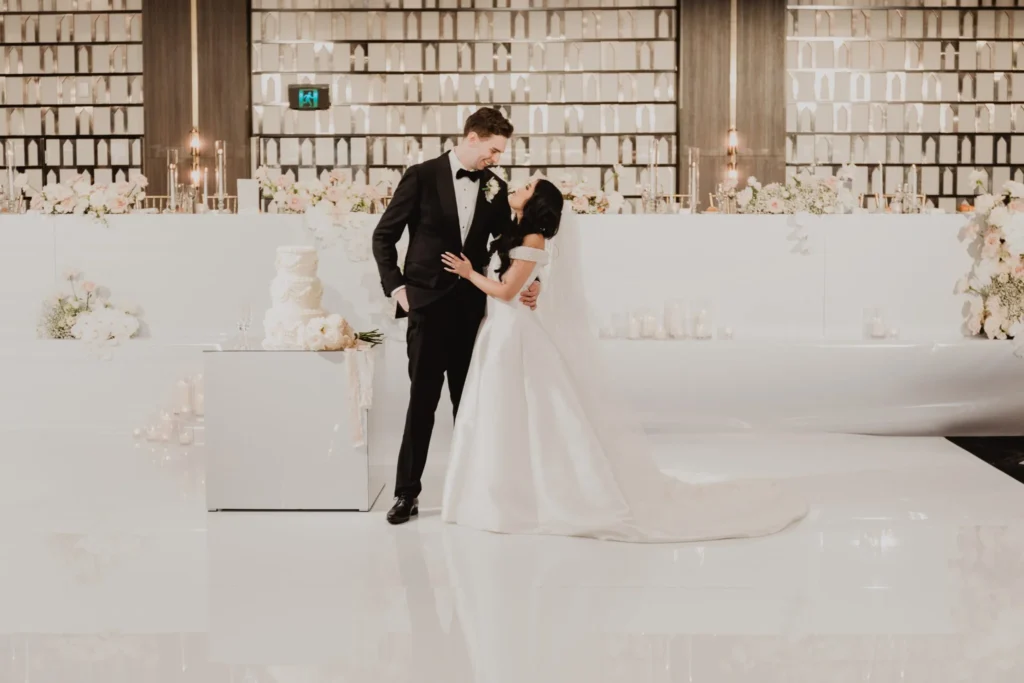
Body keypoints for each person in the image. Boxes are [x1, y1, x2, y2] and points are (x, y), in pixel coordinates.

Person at [438, 177, 808, 542]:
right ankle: (499, 494)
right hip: (498, 334)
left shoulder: (533, 237)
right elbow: (521, 280)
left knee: (527, 414)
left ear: (536, 203)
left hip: (514, 336)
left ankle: (527, 499)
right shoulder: (511, 232)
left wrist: (469, 273)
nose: (517, 188)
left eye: (527, 187)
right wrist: (533, 284)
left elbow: (505, 291)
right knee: (502, 416)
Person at [372, 108, 541, 525]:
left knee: (469, 405)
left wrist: (527, 279)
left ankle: (473, 493)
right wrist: (398, 288)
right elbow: (384, 236)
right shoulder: (421, 175)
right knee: (421, 404)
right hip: (426, 308)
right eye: (493, 149)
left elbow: (507, 242)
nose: (497, 158)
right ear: (471, 138)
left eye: (500, 152)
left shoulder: (496, 187)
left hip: (471, 311)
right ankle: (406, 494)